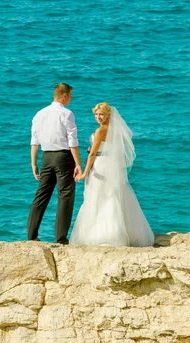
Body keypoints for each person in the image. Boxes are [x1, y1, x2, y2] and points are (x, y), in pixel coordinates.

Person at [71, 102, 154, 247]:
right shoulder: (115, 130)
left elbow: (92, 155)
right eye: (96, 114)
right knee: (114, 194)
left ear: (108, 115)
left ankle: (103, 233)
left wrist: (84, 173)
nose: (98, 117)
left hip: (100, 165)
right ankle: (128, 233)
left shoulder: (100, 131)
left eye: (101, 114)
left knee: (99, 196)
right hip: (111, 164)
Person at [27, 83, 82, 244]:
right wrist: (78, 164)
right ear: (64, 96)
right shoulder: (67, 114)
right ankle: (61, 237)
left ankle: (31, 235)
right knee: (65, 195)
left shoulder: (39, 114)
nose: (70, 99)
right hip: (63, 157)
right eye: (70, 96)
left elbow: (34, 142)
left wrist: (33, 163)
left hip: (46, 157)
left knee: (41, 195)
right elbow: (72, 141)